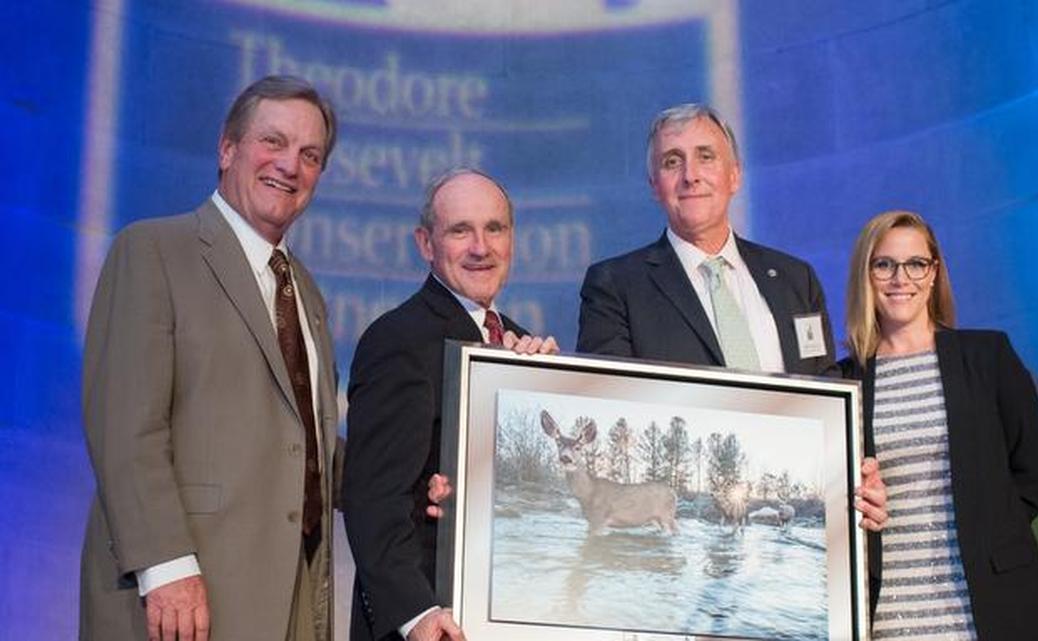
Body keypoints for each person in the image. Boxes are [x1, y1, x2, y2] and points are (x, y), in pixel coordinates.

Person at [80, 75, 340, 641]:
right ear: (228, 149)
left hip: (289, 599)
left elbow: (307, 445)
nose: (289, 165)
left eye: (310, 154)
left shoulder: (306, 293)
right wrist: (167, 567)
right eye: (273, 142)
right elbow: (124, 426)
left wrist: (423, 480)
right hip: (181, 599)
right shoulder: (152, 251)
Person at [577, 103, 887, 530]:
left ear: (735, 175)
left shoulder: (795, 280)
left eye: (706, 156)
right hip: (687, 518)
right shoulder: (614, 285)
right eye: (672, 162)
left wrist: (856, 472)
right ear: (654, 185)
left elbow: (827, 392)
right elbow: (609, 406)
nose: (691, 175)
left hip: (795, 511)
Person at [342, 168, 558, 641]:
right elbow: (372, 497)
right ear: (426, 243)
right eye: (460, 230)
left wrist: (550, 388)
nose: (481, 247)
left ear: (512, 241)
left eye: (494, 228)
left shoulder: (522, 345)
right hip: (437, 623)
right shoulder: (398, 339)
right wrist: (416, 613)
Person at [839, 210, 1038, 639]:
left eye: (915, 264)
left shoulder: (987, 356)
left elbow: (1031, 471)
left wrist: (991, 532)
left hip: (990, 604)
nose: (900, 278)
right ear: (866, 275)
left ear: (934, 271)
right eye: (884, 264)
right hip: (890, 613)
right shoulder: (845, 380)